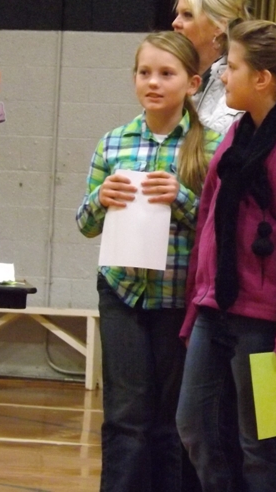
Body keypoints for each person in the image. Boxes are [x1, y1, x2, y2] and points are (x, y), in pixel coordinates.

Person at [176, 20, 276, 491]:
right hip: (215, 309)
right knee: (195, 427)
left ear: (263, 78)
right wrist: (195, 305)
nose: (223, 75)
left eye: (232, 66)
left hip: (263, 321)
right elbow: (209, 223)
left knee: (260, 445)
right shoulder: (236, 135)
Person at [76, 31, 222, 492]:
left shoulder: (213, 145)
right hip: (122, 292)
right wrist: (100, 198)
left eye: (166, 73)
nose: (153, 82)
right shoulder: (113, 142)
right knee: (125, 415)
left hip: (180, 297)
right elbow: (85, 224)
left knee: (173, 418)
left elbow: (221, 229)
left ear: (192, 82)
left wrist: (182, 197)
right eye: (144, 73)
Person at [172, 0, 253, 134]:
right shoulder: (172, 75)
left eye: (187, 15)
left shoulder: (240, 83)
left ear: (219, 26)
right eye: (177, 14)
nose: (175, 23)